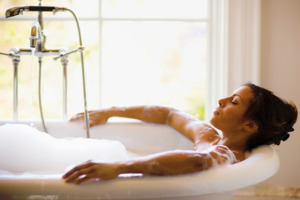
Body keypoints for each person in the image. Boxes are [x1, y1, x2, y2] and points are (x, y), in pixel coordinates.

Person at [63, 83, 297, 184]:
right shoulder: (210, 138)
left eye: (233, 102)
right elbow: (169, 115)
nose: (221, 100)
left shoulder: (230, 155)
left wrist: (119, 168)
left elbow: (198, 162)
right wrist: (110, 112)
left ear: (250, 126)